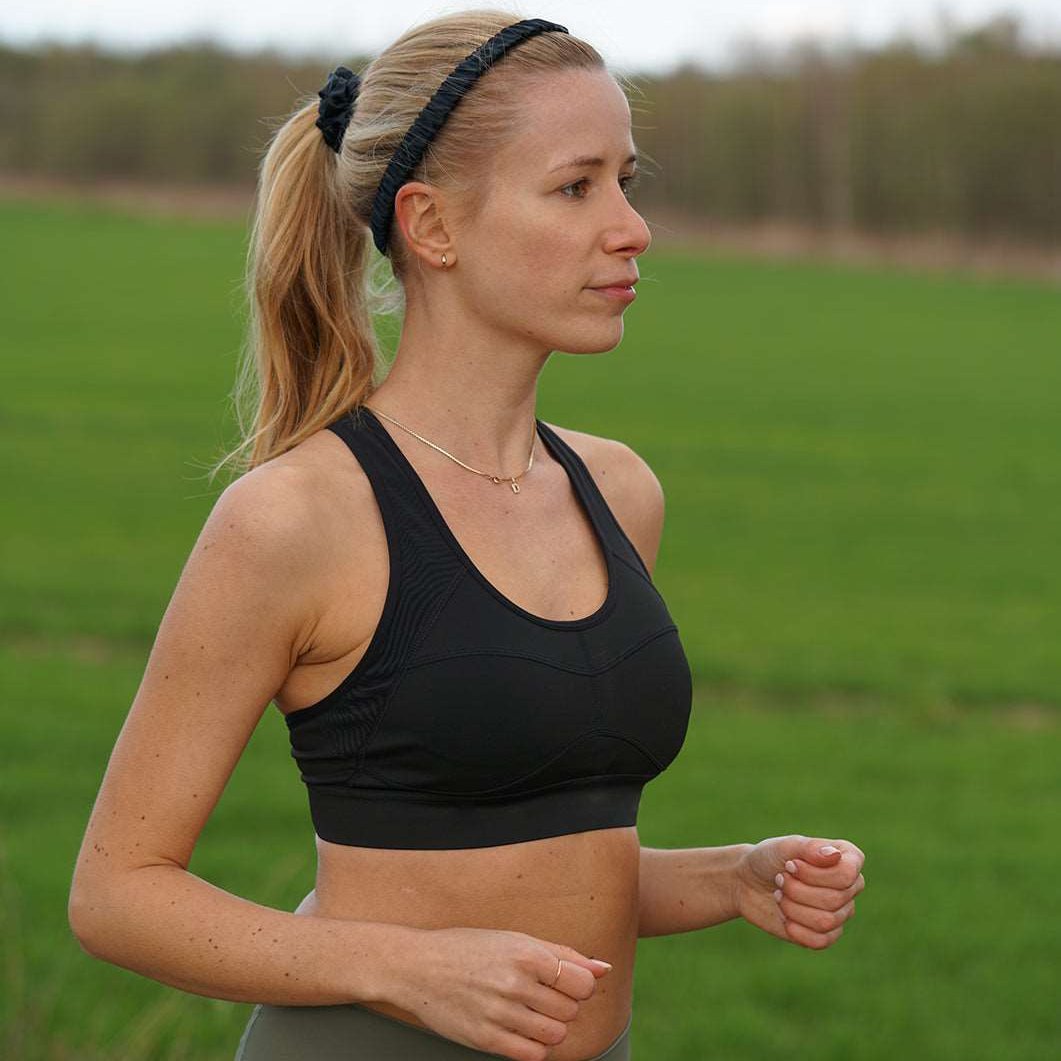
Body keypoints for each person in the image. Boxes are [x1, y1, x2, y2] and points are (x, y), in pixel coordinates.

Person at [67, 10, 867, 1061]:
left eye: (628, 179)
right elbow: (117, 892)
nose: (630, 227)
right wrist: (404, 963)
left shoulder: (616, 492)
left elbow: (538, 854)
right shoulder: (297, 517)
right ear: (432, 226)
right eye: (576, 186)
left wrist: (732, 874)